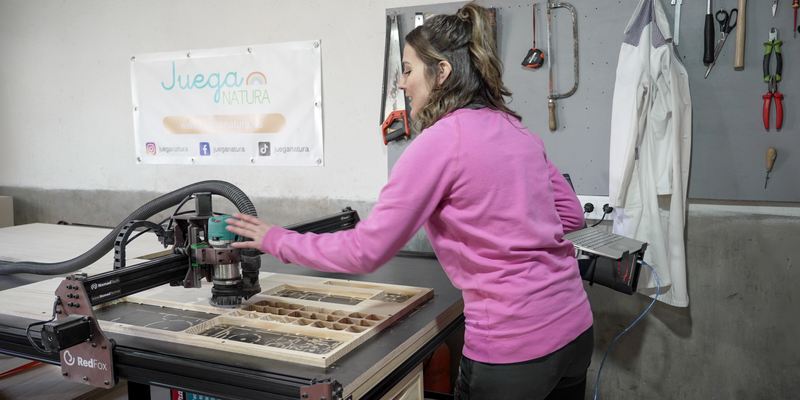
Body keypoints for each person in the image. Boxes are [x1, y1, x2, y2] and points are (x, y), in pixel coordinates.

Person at [226, 2, 593, 399]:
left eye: (407, 69)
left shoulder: (439, 142)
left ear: (442, 72)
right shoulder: (518, 131)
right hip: (574, 329)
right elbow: (572, 215)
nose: (401, 84)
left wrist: (275, 240)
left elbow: (366, 251)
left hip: (513, 349)